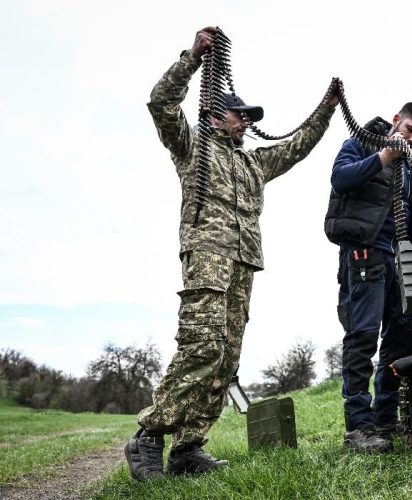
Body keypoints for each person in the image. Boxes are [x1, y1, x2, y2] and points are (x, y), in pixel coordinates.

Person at [124, 26, 338, 480]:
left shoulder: (251, 162)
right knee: (200, 347)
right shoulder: (193, 147)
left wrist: (328, 108)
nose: (245, 121)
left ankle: (188, 448)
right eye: (240, 115)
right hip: (207, 257)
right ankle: (148, 436)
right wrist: (192, 58)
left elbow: (296, 148)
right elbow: (160, 104)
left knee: (225, 359)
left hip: (243, 265)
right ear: (219, 117)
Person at [324, 102, 412, 452]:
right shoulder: (361, 144)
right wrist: (384, 158)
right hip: (365, 254)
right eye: (410, 129)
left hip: (402, 260)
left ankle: (386, 421)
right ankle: (358, 428)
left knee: (401, 340)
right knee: (362, 336)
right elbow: (341, 178)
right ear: (396, 120)